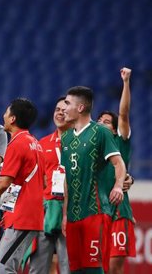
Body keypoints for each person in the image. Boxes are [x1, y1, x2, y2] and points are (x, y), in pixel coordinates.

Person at [0, 98, 44, 274]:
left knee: (2, 268)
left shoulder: (17, 143)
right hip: (26, 214)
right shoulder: (35, 143)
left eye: (6, 112)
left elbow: (4, 182)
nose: (3, 116)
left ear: (12, 118)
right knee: (4, 266)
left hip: (24, 216)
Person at [61, 86, 126, 273]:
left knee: (93, 267)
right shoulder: (65, 139)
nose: (64, 108)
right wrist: (65, 214)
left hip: (95, 211)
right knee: (75, 269)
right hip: (73, 216)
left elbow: (118, 163)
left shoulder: (100, 132)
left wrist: (118, 186)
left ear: (80, 107)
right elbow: (66, 179)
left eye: (67, 103)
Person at [97, 68, 136, 274]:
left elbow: (123, 113)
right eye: (99, 120)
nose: (101, 123)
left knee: (114, 268)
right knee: (97, 267)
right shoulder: (91, 147)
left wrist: (126, 82)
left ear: (114, 129)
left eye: (106, 121)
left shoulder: (119, 141)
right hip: (95, 212)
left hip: (119, 213)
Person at [29, 97, 71, 274]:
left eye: (64, 110)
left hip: (71, 209)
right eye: (57, 110)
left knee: (68, 265)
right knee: (38, 266)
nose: (60, 113)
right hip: (46, 209)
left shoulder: (81, 143)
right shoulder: (42, 143)